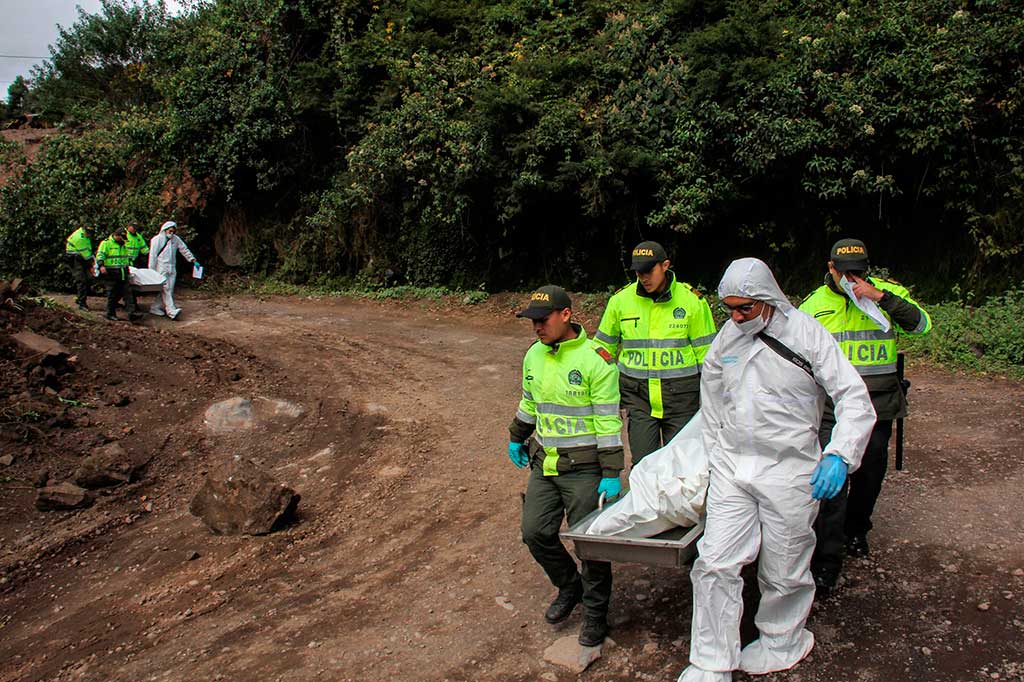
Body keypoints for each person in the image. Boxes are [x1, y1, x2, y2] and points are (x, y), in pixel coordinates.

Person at [678, 258, 875, 682]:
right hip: (733, 467)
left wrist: (839, 454)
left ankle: (782, 640)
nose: (735, 317)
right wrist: (714, 460)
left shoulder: (807, 334)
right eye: (729, 309)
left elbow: (853, 397)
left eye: (744, 308)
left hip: (790, 468)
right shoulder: (727, 339)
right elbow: (712, 404)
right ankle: (711, 660)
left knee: (784, 564)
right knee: (714, 562)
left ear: (767, 299)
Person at [800, 238, 931, 595]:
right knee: (831, 476)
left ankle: (857, 530)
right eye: (845, 272)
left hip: (878, 401)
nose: (852, 279)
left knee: (870, 471)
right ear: (831, 269)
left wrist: (880, 298)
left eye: (858, 271)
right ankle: (826, 560)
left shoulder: (888, 293)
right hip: (832, 405)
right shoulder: (814, 305)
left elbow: (921, 325)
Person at [507, 285, 624, 648]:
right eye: (533, 322)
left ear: (566, 315)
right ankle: (570, 586)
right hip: (545, 463)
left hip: (585, 469)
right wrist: (516, 435)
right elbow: (530, 402)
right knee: (535, 532)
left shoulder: (597, 360)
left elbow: (608, 421)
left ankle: (596, 615)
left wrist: (611, 472)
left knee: (589, 545)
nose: (537, 327)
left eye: (543, 320)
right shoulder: (534, 355)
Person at [595, 240, 717, 464]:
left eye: (649, 271)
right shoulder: (620, 301)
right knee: (643, 465)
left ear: (665, 265)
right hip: (638, 398)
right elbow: (601, 352)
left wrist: (712, 402)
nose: (644, 278)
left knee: (681, 468)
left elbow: (708, 357)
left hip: (681, 398)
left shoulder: (692, 302)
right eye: (638, 272)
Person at [148, 220, 199, 320]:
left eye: (173, 231)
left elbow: (183, 249)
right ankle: (171, 311)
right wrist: (151, 270)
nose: (171, 233)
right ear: (165, 230)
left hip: (172, 267)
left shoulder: (175, 239)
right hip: (161, 267)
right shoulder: (157, 240)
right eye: (170, 231)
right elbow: (153, 256)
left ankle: (155, 307)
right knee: (166, 288)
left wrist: (192, 259)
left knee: (169, 289)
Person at [95, 227, 139, 322]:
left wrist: (128, 270)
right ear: (116, 236)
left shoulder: (123, 245)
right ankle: (110, 314)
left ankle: (132, 313)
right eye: (121, 238)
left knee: (128, 293)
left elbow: (125, 259)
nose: (123, 240)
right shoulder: (106, 243)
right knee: (112, 294)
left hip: (122, 272)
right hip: (111, 273)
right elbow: (100, 255)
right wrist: (101, 266)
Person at [64, 225, 94, 310]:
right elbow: (86, 255)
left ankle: (80, 298)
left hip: (80, 257)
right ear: (84, 230)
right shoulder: (79, 238)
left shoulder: (83, 235)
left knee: (89, 278)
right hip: (75, 259)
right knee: (81, 280)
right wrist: (92, 265)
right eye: (88, 232)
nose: (89, 235)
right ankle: (82, 303)